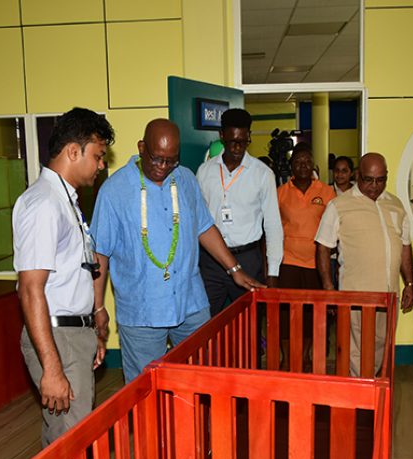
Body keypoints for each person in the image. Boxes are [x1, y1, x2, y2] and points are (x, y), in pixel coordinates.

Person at [91, 118, 263, 383]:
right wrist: (98, 306)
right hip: (142, 313)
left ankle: (195, 426)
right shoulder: (114, 191)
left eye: (171, 160)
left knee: (202, 379)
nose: (163, 167)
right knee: (146, 387)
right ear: (141, 148)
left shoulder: (185, 179)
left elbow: (204, 227)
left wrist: (235, 269)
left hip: (190, 303)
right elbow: (99, 254)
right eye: (157, 159)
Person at [12, 107, 113, 459]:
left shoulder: (65, 200)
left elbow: (80, 267)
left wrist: (96, 317)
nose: (102, 164)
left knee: (71, 440)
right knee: (72, 448)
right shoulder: (41, 205)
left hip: (74, 336)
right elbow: (31, 289)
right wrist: (52, 367)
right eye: (99, 155)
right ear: (73, 151)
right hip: (57, 339)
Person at [315, 152, 413, 376]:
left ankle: (370, 385)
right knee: (355, 348)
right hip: (356, 295)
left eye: (380, 180)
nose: (374, 186)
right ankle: (359, 394)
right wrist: (329, 288)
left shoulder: (396, 205)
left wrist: (409, 283)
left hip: (387, 294)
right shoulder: (339, 205)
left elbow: (405, 246)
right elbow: (322, 246)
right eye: (369, 179)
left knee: (381, 343)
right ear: (358, 176)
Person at [196, 108, 283, 312]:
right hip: (211, 261)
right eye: (232, 141)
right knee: (205, 323)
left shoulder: (263, 174)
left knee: (249, 323)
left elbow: (272, 225)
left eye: (243, 142)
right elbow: (197, 221)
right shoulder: (204, 171)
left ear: (249, 137)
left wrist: (273, 273)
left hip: (248, 259)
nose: (237, 147)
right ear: (221, 136)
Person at [276, 143, 336, 366]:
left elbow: (334, 226)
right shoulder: (280, 193)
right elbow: (272, 229)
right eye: (298, 161)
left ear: (314, 165)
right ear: (292, 166)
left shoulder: (326, 192)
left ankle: (306, 356)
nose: (303, 165)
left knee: (312, 314)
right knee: (286, 315)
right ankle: (285, 357)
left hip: (316, 264)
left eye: (307, 161)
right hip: (288, 261)